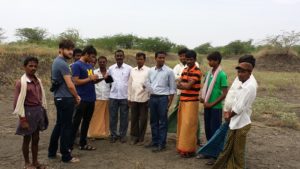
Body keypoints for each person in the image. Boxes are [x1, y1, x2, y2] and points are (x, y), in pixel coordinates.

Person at [197, 55, 257, 165]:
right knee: (222, 137)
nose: (240, 71)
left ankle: (223, 159)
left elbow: (238, 104)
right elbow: (232, 94)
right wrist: (226, 110)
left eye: (243, 69)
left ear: (250, 69)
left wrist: (229, 113)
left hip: (237, 117)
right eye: (239, 68)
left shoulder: (249, 84)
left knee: (235, 146)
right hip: (230, 114)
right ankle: (215, 155)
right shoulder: (241, 78)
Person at [212, 61, 257, 169]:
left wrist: (228, 116)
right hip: (236, 122)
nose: (240, 74)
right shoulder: (243, 84)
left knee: (238, 152)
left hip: (241, 123)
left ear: (249, 73)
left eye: (243, 72)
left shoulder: (249, 87)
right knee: (228, 147)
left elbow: (239, 108)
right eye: (239, 71)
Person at [48, 39, 80, 163]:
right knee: (67, 128)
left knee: (59, 125)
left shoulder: (57, 62)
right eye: (68, 49)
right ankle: (66, 156)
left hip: (59, 98)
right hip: (66, 99)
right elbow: (70, 85)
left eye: (72, 49)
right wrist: (76, 96)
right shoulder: (62, 63)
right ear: (60, 49)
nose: (71, 52)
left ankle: (52, 152)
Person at [13, 56, 48, 169]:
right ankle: (27, 163)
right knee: (27, 139)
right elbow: (17, 104)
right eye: (30, 66)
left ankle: (35, 162)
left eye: (35, 66)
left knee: (36, 138)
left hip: (37, 112)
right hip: (27, 113)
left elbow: (41, 98)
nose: (33, 68)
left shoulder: (38, 81)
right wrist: (22, 119)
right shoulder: (21, 83)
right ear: (24, 67)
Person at [145, 51, 176, 152]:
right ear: (155, 58)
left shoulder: (169, 71)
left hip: (163, 99)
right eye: (160, 58)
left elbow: (172, 88)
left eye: (163, 58)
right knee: (153, 121)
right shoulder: (150, 70)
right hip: (153, 98)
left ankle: (161, 144)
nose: (162, 59)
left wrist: (169, 102)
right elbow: (148, 83)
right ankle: (155, 141)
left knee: (163, 122)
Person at [71, 45, 99, 150]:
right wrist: (90, 78)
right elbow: (76, 81)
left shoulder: (89, 66)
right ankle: (69, 146)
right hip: (81, 99)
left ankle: (83, 143)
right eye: (92, 56)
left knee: (86, 122)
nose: (93, 59)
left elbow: (90, 80)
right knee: (76, 122)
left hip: (91, 98)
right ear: (86, 54)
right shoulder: (76, 65)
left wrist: (97, 79)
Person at [176, 50, 202, 158]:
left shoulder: (197, 71)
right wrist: (183, 84)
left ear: (195, 60)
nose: (189, 61)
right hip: (183, 100)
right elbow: (179, 84)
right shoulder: (185, 70)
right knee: (182, 125)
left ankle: (190, 150)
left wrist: (182, 84)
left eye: (191, 59)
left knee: (189, 126)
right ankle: (182, 148)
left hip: (191, 102)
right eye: (187, 59)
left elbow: (186, 86)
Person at [201, 51, 228, 143]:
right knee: (207, 128)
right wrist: (203, 99)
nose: (209, 62)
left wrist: (211, 104)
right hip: (207, 105)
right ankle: (209, 148)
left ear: (217, 61)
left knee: (215, 129)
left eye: (211, 60)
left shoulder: (222, 75)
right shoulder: (209, 74)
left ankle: (215, 151)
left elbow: (224, 93)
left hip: (215, 107)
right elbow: (205, 87)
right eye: (209, 60)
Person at [108, 49, 132, 143]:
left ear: (123, 57)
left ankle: (122, 135)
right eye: (117, 56)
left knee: (124, 117)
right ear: (115, 57)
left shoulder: (129, 68)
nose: (119, 57)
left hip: (124, 96)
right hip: (113, 96)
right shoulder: (111, 68)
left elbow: (130, 82)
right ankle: (113, 135)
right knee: (113, 117)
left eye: (120, 56)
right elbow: (108, 81)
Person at [128, 52, 150, 145]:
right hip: (134, 98)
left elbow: (150, 84)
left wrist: (149, 96)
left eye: (141, 59)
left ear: (144, 60)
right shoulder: (133, 70)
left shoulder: (149, 70)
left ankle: (141, 137)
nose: (139, 61)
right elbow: (129, 84)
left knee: (143, 119)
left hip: (144, 98)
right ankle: (134, 137)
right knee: (134, 118)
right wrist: (129, 97)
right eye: (137, 59)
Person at [88, 56, 111, 139]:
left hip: (106, 97)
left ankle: (104, 134)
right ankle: (94, 134)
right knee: (95, 117)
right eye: (100, 62)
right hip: (97, 97)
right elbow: (91, 83)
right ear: (98, 62)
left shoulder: (109, 73)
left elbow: (110, 85)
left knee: (105, 117)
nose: (102, 63)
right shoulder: (94, 72)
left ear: (106, 62)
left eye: (103, 62)